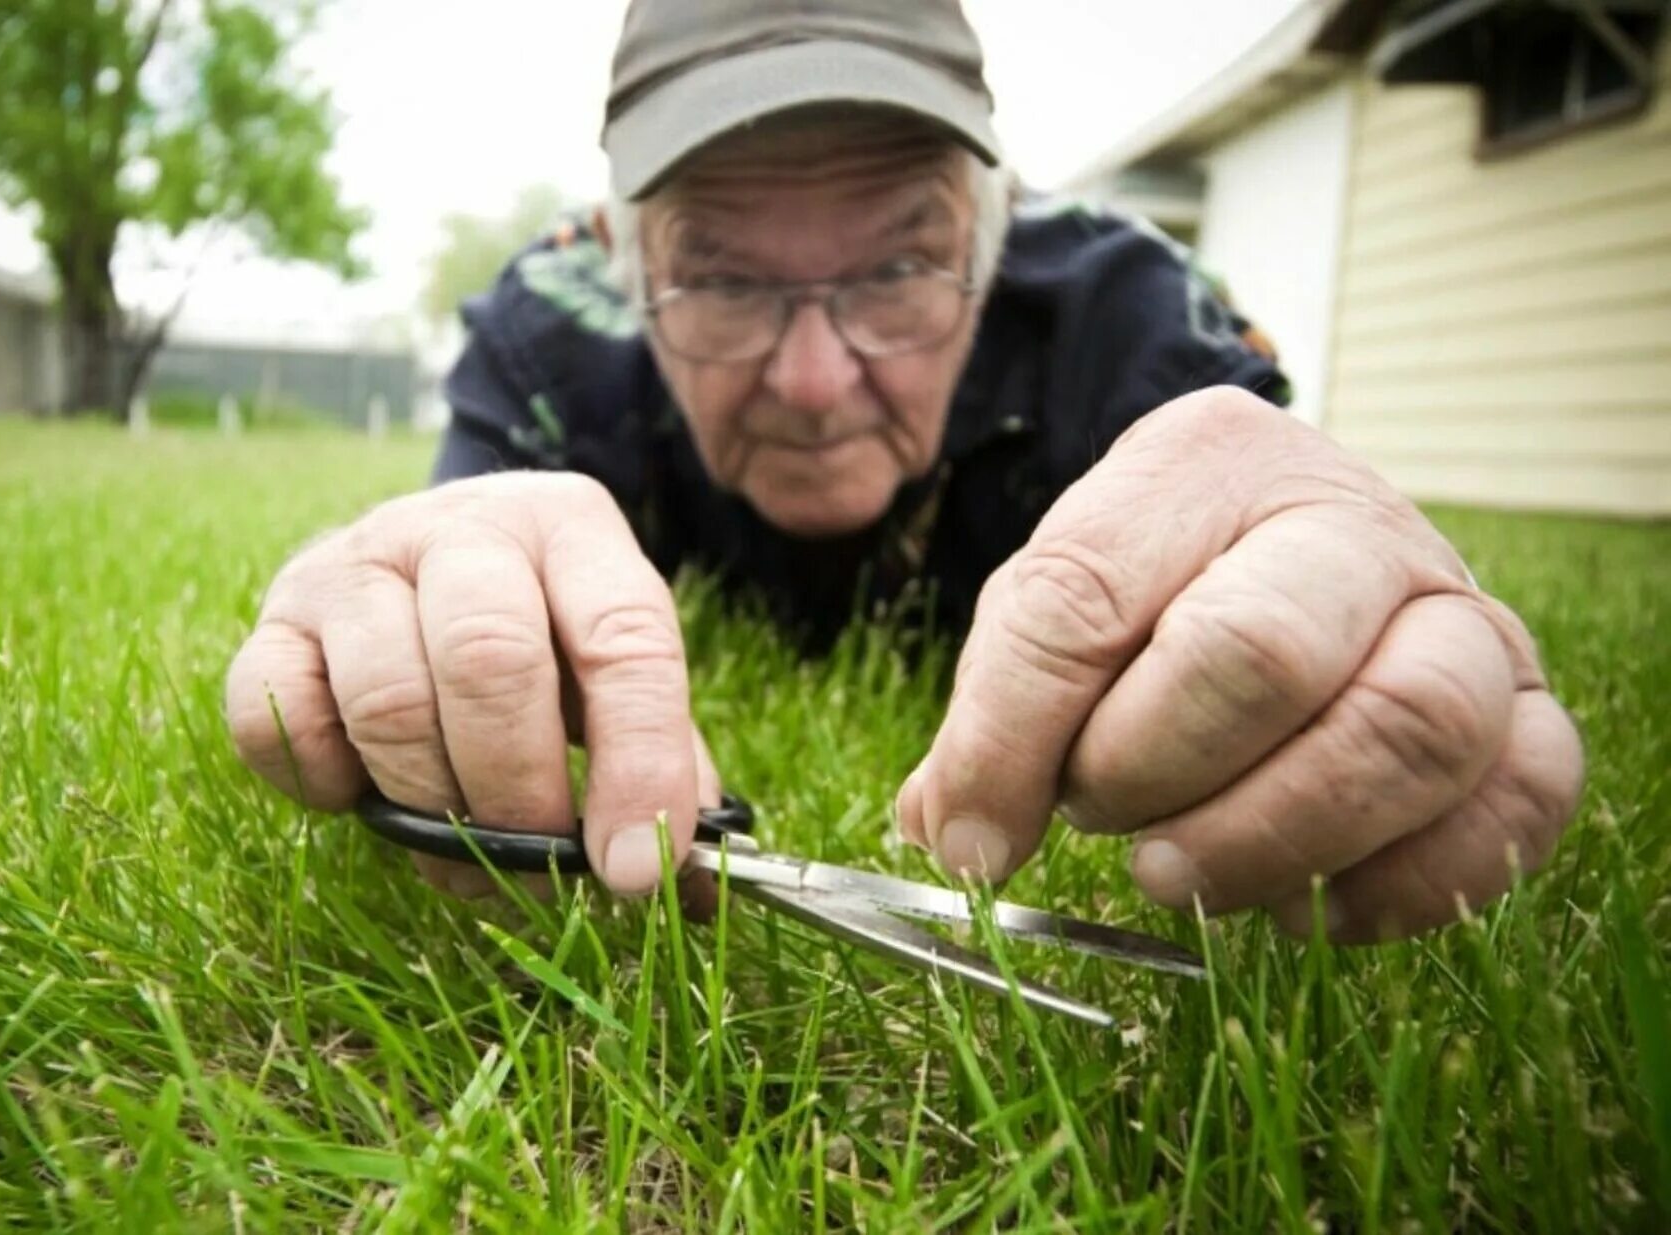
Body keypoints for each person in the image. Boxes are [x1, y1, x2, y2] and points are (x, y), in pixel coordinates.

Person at [224, 0, 1583, 943]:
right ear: (628, 264)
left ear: (994, 241)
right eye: (720, 275)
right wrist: (406, 595)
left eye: (897, 263)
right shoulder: (546, 326)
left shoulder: (1129, 316)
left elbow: (1281, 516)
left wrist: (1356, 599)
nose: (815, 381)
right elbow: (440, 554)